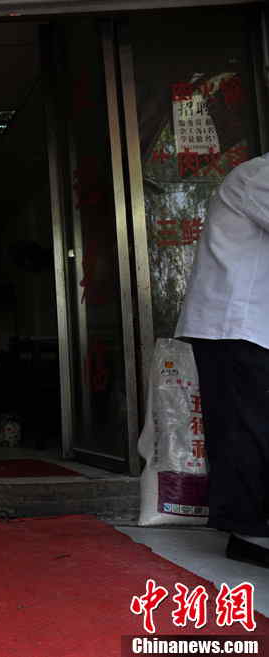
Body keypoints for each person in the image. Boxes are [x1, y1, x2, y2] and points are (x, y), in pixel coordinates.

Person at [175, 153, 269, 568]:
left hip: (250, 326)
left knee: (251, 427)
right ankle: (251, 534)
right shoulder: (259, 174)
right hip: (235, 324)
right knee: (246, 430)